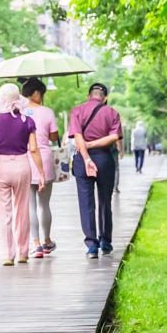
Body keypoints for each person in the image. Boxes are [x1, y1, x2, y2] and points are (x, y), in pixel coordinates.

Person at [0, 83, 46, 267]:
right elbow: (34, 149)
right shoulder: (27, 121)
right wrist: (41, 174)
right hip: (22, 165)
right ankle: (22, 253)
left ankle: (7, 255)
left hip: (1, 167)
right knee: (22, 211)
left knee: (3, 213)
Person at [68, 82, 122, 259]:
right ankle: (105, 242)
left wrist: (87, 157)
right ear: (105, 98)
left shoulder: (77, 111)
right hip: (105, 159)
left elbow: (77, 137)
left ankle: (91, 245)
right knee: (105, 201)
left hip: (83, 160)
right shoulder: (112, 112)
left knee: (86, 202)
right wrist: (93, 147)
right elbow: (114, 137)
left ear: (88, 96)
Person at [20, 77, 59, 259]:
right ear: (36, 93)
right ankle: (46, 241)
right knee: (44, 205)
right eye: (42, 93)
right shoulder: (47, 112)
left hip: (24, 160)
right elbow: (53, 137)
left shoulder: (18, 111)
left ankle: (35, 245)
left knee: (30, 206)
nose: (42, 97)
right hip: (43, 159)